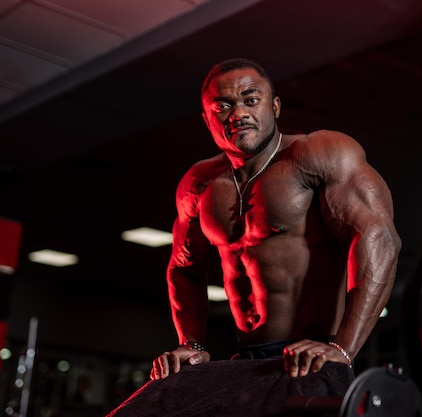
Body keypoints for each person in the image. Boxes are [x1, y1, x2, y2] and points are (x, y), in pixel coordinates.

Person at [147, 57, 401, 383]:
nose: (238, 113)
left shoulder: (319, 154)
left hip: (313, 357)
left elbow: (379, 238)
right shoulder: (198, 183)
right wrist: (190, 343)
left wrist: (343, 349)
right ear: (207, 119)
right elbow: (184, 269)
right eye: (222, 106)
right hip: (244, 360)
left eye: (251, 100)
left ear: (275, 106)